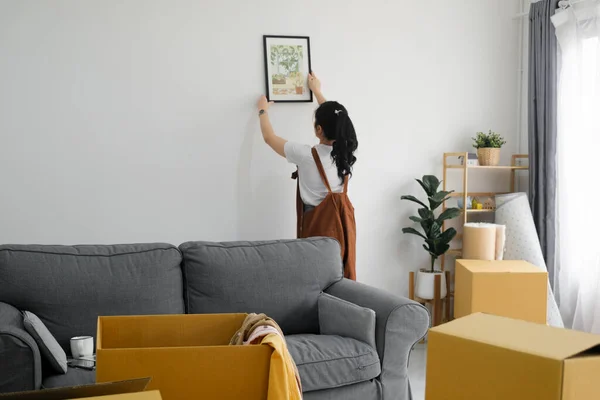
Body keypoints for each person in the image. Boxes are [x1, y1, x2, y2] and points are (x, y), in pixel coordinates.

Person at [257, 73, 358, 280]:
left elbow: (269, 138)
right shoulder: (347, 152)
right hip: (345, 227)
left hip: (318, 227)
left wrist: (262, 110)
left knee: (316, 277)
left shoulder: (306, 155)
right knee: (340, 276)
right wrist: (318, 91)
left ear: (319, 129)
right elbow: (337, 122)